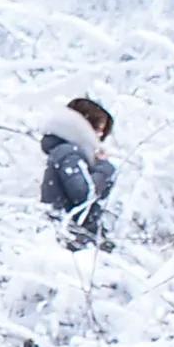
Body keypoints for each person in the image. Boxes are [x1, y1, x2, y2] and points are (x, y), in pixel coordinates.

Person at [40, 95, 118, 251]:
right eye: (97, 129)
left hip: (69, 238)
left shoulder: (62, 152)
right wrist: (104, 168)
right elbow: (84, 195)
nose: (100, 136)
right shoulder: (69, 153)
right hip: (74, 243)